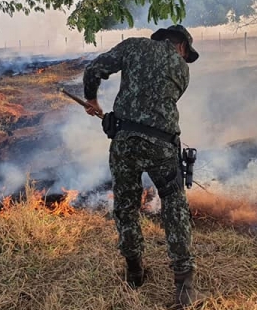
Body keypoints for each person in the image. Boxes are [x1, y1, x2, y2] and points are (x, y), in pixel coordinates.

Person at [82, 24, 207, 308]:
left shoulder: (133, 45)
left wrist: (91, 99)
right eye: (187, 53)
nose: (186, 58)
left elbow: (93, 70)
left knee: (125, 206)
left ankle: (135, 272)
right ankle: (184, 286)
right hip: (161, 146)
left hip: (124, 142)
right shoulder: (182, 69)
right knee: (174, 206)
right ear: (181, 46)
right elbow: (157, 104)